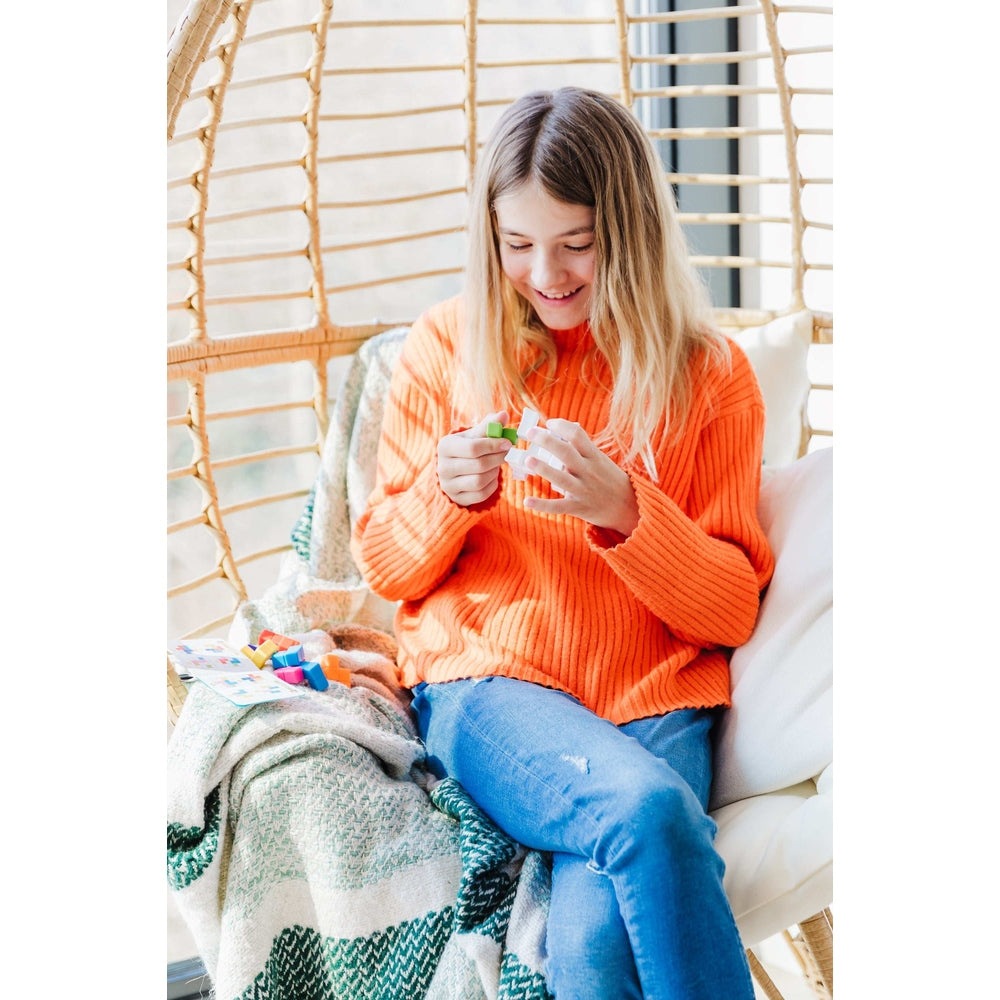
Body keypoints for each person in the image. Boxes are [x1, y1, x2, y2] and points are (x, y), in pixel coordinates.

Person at [351, 86, 775, 1000]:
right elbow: (385, 564)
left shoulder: (711, 376)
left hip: (655, 695)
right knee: (650, 808)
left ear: (627, 231)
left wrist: (629, 510)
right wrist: (443, 495)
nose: (547, 273)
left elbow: (733, 606)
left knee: (593, 947)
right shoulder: (445, 349)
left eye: (576, 243)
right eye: (517, 246)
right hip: (492, 687)